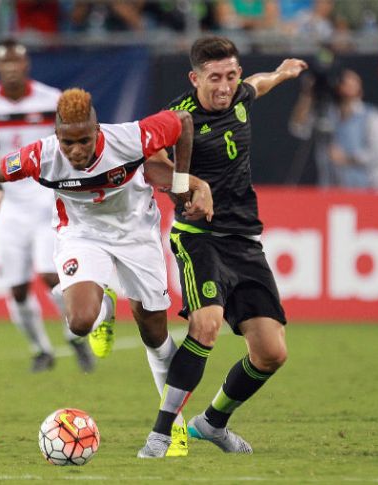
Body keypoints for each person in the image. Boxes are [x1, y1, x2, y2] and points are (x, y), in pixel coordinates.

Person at [0, 87, 214, 457]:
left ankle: (173, 423)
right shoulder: (42, 156)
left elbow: (182, 122)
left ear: (98, 130)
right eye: (67, 142)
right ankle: (103, 310)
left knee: (154, 332)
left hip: (136, 234)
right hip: (81, 235)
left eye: (84, 140)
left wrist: (181, 184)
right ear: (56, 136)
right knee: (80, 321)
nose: (76, 151)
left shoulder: (131, 137)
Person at [137, 36, 308, 458]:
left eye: (231, 76)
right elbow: (149, 160)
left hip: (244, 241)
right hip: (199, 239)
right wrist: (192, 184)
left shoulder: (241, 96)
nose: (225, 86)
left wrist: (283, 73)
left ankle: (212, 424)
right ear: (195, 78)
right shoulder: (179, 117)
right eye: (215, 78)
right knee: (207, 324)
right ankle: (161, 434)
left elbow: (259, 83)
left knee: (271, 353)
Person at [0, 38, 95, 373]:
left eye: (17, 61)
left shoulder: (52, 101)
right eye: (5, 63)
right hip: (9, 205)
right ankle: (41, 350)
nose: (11, 68)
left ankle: (73, 331)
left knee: (51, 275)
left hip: (46, 199)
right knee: (17, 288)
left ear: (26, 64)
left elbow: (75, 144)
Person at [289, 68, 378, 190]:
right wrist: (308, 94)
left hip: (371, 188)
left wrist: (347, 158)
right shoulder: (327, 114)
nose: (347, 85)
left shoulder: (371, 115)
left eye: (351, 81)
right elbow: (298, 127)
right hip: (336, 190)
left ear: (359, 87)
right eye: (343, 81)